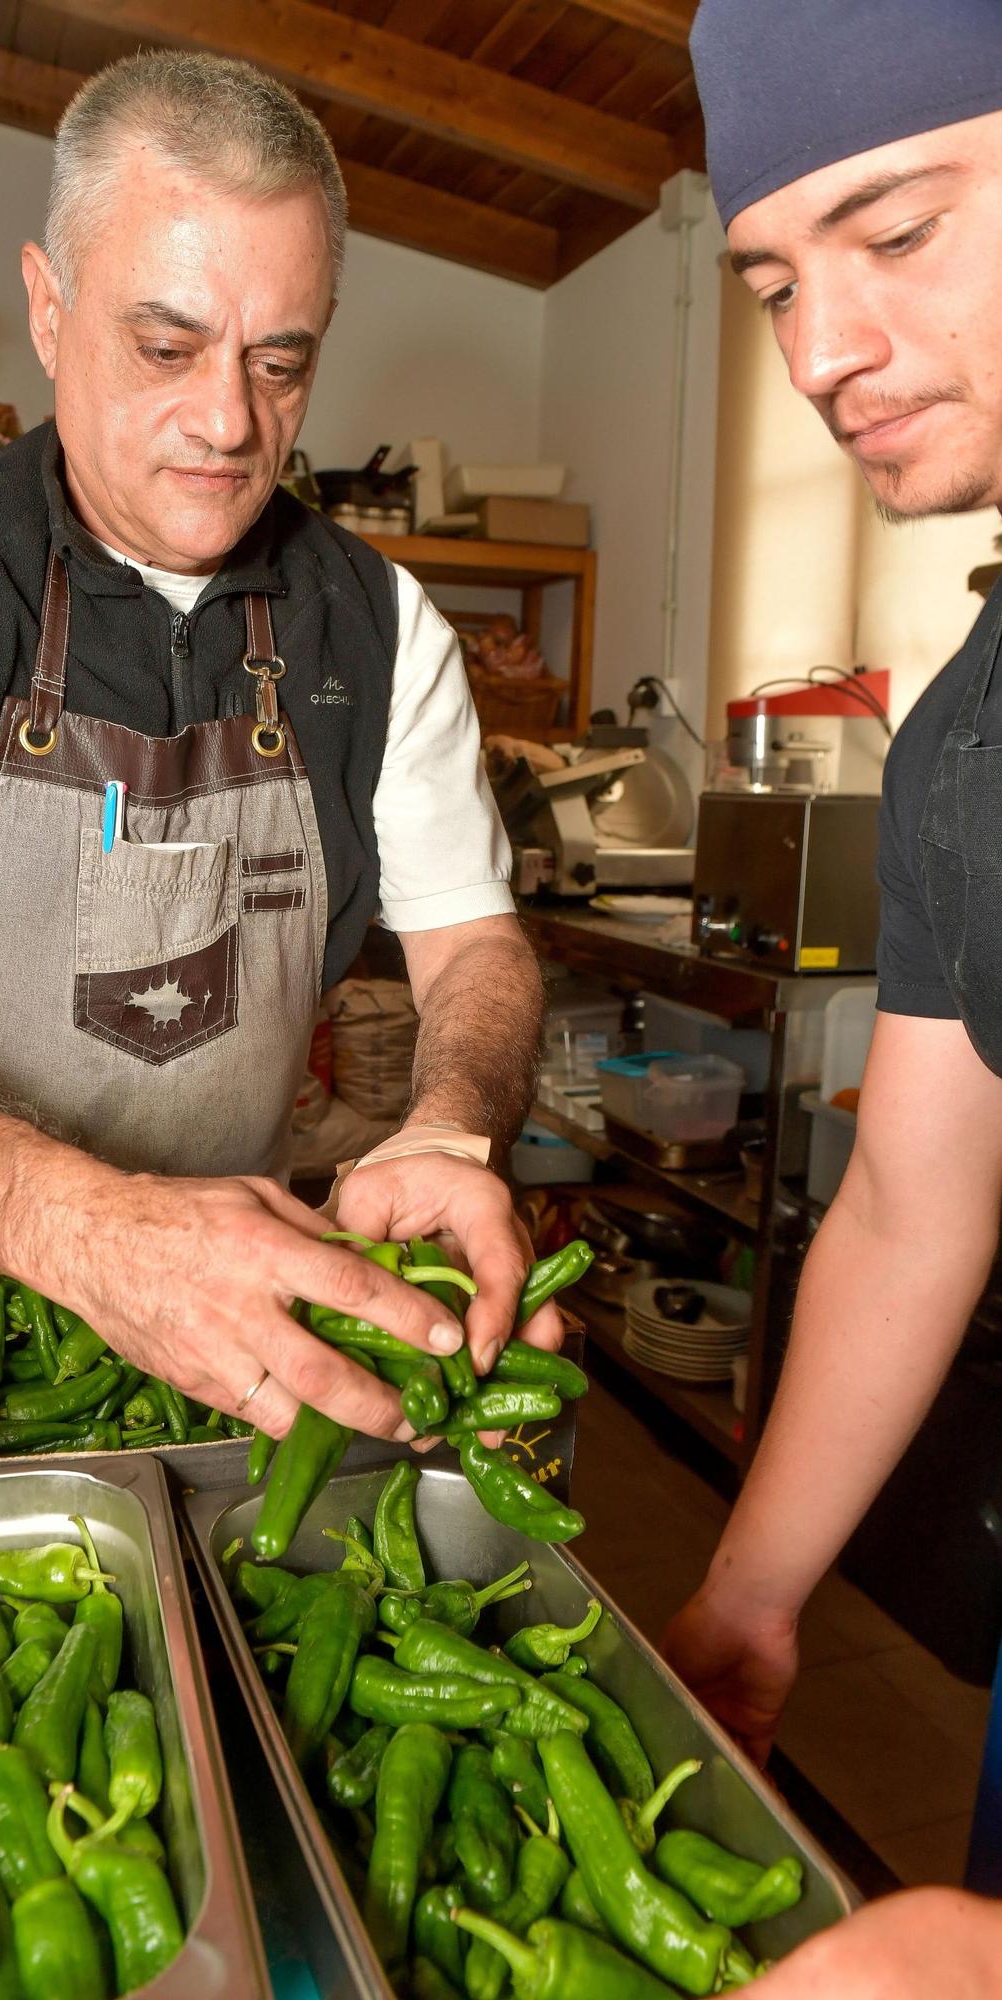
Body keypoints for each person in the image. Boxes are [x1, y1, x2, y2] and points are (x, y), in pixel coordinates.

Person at [0, 50, 558, 1443]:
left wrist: (449, 1126)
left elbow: (473, 944)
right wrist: (87, 1231)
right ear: (48, 307)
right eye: (164, 347)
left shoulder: (378, 624)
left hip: (252, 1313)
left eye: (280, 363)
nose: (228, 422)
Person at [659, 0, 1002, 1987]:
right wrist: (751, 1597)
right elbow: (906, 1193)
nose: (817, 357)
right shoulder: (964, 738)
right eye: (774, 281)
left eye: (898, 229)